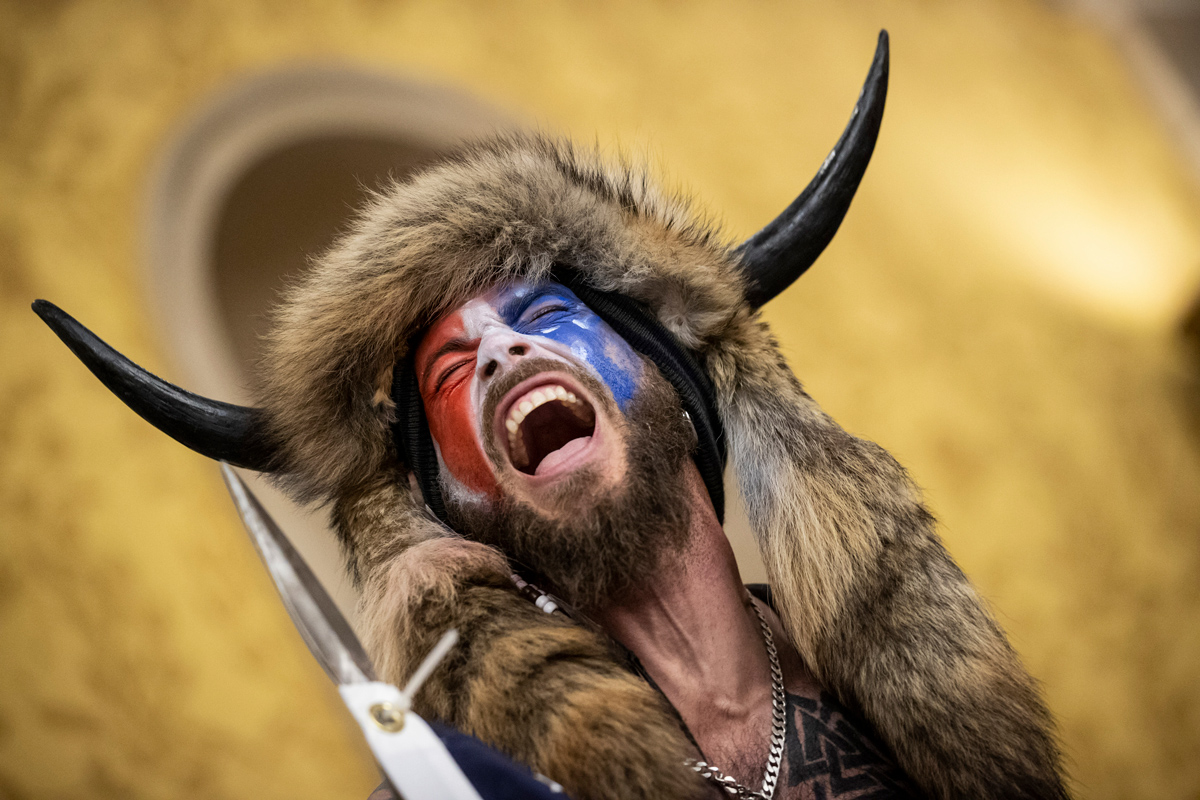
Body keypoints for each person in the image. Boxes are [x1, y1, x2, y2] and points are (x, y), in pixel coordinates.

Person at [34, 34, 1069, 800]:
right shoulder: (476, 785)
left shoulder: (877, 685)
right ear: (457, 506)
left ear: (669, 377)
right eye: (449, 371)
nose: (500, 350)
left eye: (539, 315)